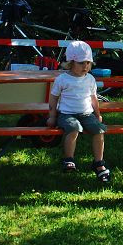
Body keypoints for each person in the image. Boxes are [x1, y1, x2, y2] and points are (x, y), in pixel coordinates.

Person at [46, 40, 110, 183]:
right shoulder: (62, 79)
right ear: (70, 63)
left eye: (88, 62)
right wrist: (52, 116)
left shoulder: (90, 79)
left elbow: (94, 99)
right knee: (74, 128)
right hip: (66, 114)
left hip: (86, 113)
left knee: (99, 130)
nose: (85, 66)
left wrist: (98, 115)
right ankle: (68, 159)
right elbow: (53, 98)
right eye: (81, 63)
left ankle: (99, 162)